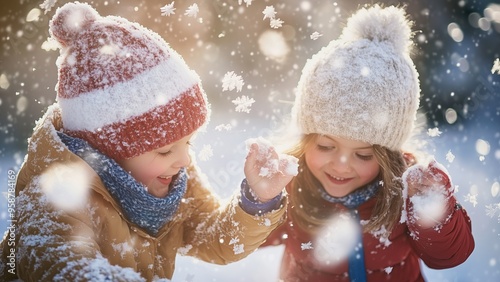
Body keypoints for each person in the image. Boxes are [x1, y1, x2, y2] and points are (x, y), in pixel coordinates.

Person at [0, 2, 296, 281]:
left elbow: (213, 237)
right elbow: (66, 269)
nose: (184, 161)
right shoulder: (54, 199)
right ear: (107, 150)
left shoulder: (171, 179)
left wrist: (257, 200)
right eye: (165, 149)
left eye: (188, 143)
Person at [261, 5, 475, 282]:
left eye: (363, 155)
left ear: (389, 156)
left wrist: (433, 207)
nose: (341, 163)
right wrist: (260, 198)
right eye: (326, 147)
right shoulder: (291, 183)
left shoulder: (406, 190)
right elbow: (247, 239)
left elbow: (450, 256)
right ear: (305, 140)